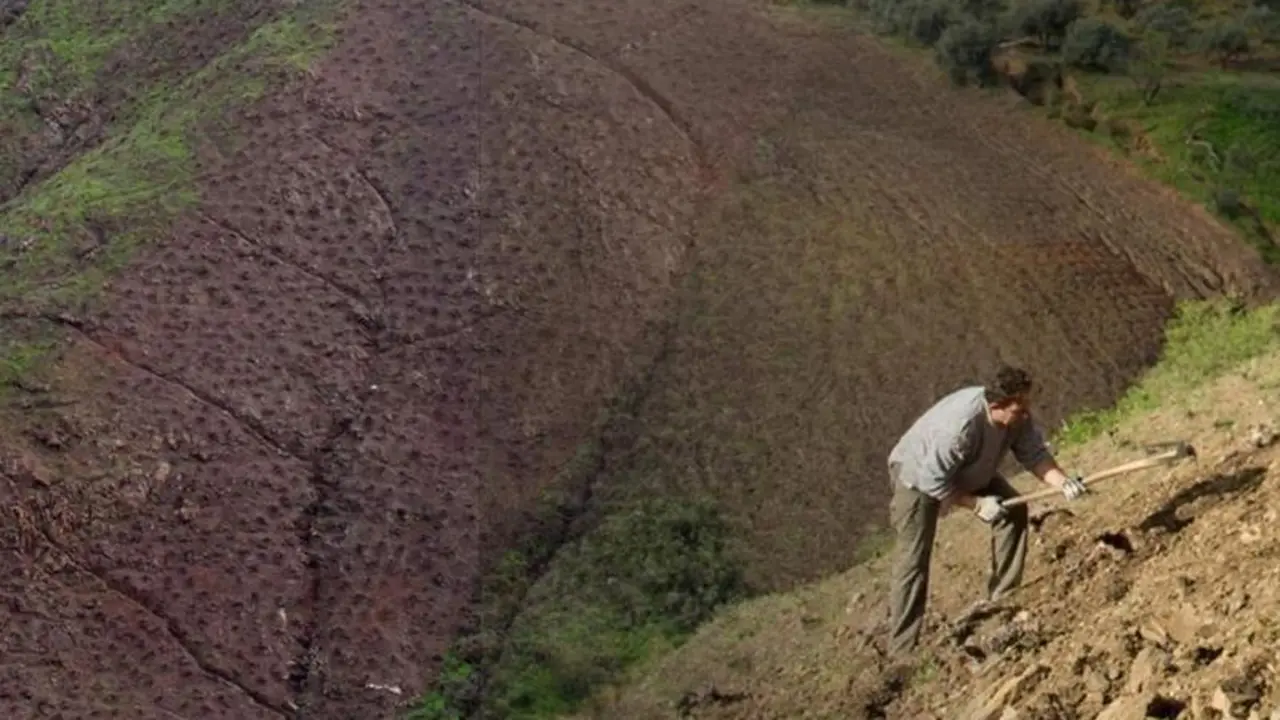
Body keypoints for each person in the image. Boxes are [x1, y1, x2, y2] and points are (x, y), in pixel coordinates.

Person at [884, 365, 1087, 657]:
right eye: (1020, 408)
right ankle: (901, 650)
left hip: (970, 471)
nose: (1027, 413)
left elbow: (1035, 455)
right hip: (917, 478)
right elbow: (933, 480)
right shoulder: (958, 429)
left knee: (1014, 513)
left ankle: (1002, 600)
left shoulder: (1017, 418)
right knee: (913, 560)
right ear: (996, 407)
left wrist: (1063, 482)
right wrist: (976, 504)